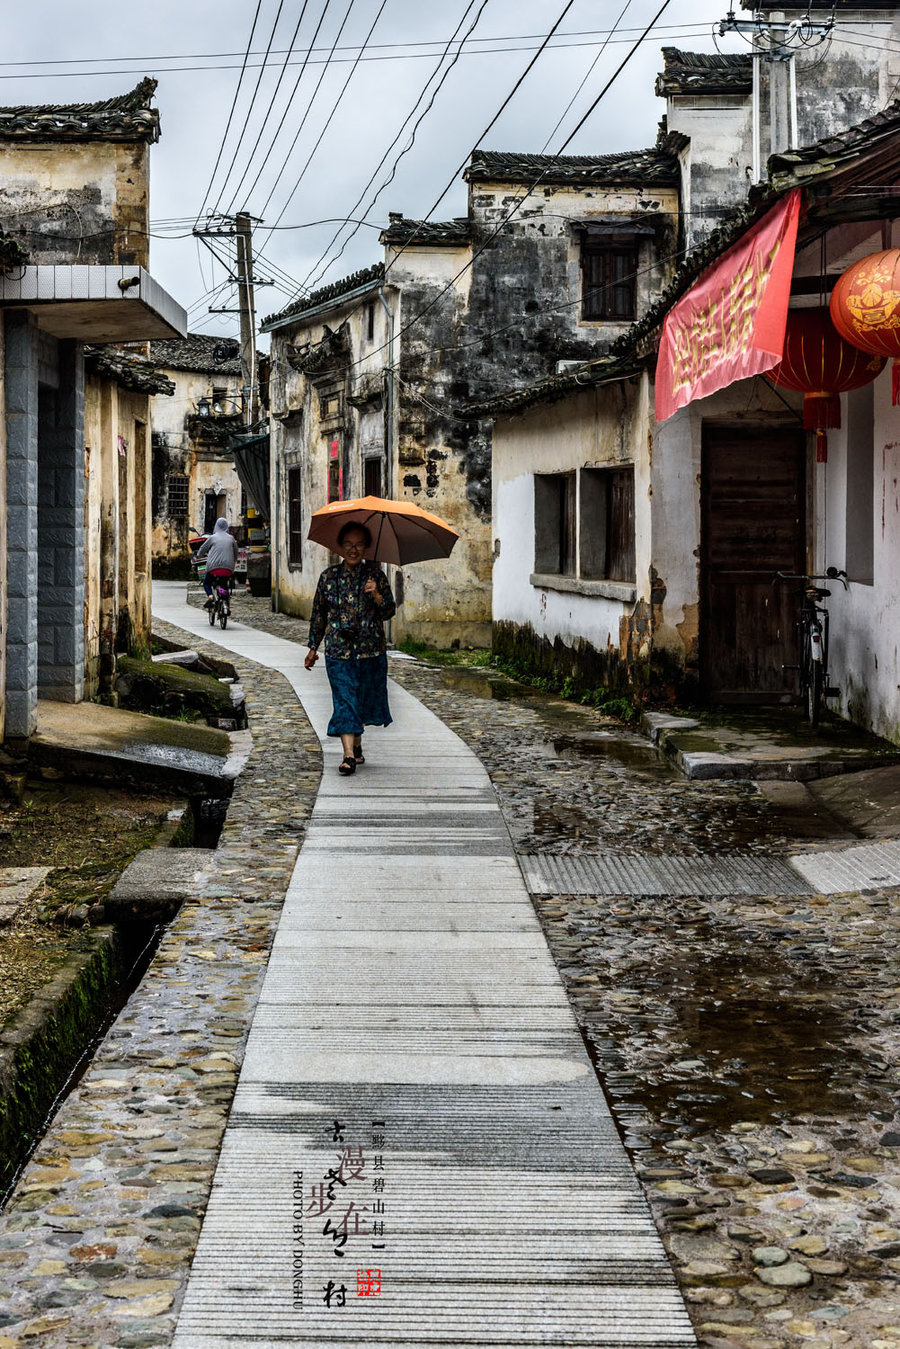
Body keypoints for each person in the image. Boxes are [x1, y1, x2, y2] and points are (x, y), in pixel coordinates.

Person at [304, 523, 396, 776]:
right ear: (340, 547)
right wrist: (313, 647)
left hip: (370, 651)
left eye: (359, 545)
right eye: (348, 545)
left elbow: (389, 611)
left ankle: (356, 744)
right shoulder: (328, 577)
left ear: (366, 547)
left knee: (362, 700)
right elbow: (318, 615)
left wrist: (376, 595)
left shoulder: (375, 576)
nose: (353, 550)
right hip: (338, 650)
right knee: (344, 699)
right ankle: (347, 756)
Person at [195, 518, 238, 609]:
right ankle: (225, 601)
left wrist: (199, 556)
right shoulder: (231, 538)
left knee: (207, 583)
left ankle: (210, 596)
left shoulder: (212, 537)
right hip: (228, 568)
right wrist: (233, 561)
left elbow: (202, 549)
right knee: (224, 583)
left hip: (213, 568)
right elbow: (235, 552)